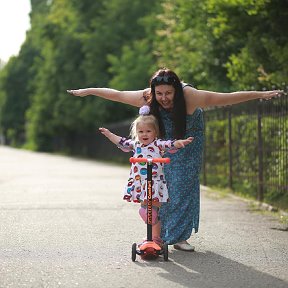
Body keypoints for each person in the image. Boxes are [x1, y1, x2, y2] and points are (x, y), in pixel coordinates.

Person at [67, 68, 283, 251]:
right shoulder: (147, 96)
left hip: (189, 137)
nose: (163, 98)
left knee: (181, 185)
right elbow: (117, 94)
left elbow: (226, 97)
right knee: (161, 185)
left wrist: (260, 94)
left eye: (168, 93)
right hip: (163, 141)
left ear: (177, 90)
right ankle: (158, 235)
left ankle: (179, 237)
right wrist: (88, 91)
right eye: (159, 93)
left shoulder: (191, 96)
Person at [99, 105, 193, 246]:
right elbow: (121, 141)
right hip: (141, 183)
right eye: (141, 131)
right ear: (136, 132)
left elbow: (170, 144)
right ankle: (152, 236)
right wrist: (109, 134)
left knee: (152, 212)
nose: (144, 134)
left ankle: (155, 238)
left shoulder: (158, 144)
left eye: (148, 131)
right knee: (145, 212)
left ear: (155, 132)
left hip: (155, 183)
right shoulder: (136, 144)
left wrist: (179, 143)